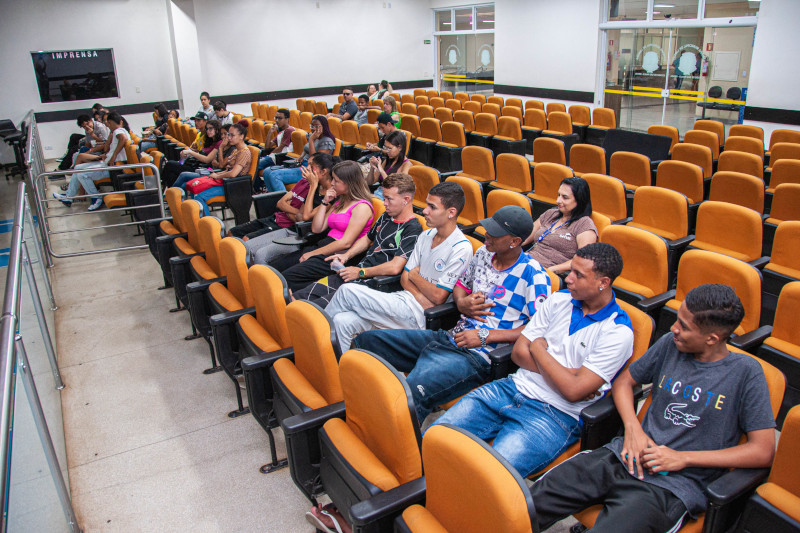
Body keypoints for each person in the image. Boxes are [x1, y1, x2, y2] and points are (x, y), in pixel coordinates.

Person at [531, 284, 776, 533]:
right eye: (677, 320)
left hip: (672, 487)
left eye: (684, 326)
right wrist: (633, 428)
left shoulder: (746, 373)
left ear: (711, 339)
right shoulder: (671, 343)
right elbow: (625, 382)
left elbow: (763, 450)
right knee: (530, 503)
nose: (673, 329)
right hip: (622, 458)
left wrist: (683, 458)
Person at [432, 243, 634, 478]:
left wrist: (537, 347)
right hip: (511, 388)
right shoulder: (559, 300)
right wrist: (568, 373)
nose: (568, 279)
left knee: (489, 476)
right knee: (436, 437)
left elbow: (572, 391)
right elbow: (518, 353)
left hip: (554, 414)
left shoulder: (618, 331)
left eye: (579, 275)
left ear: (603, 282)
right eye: (571, 271)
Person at [354, 205, 551, 423]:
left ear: (514, 241)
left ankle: (395, 446)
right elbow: (461, 285)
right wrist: (462, 302)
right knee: (365, 342)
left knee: (412, 393)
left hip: (478, 355)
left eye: (494, 233)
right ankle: (368, 410)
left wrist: (486, 336)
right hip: (448, 337)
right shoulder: (485, 254)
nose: (486, 235)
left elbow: (538, 329)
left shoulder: (534, 274)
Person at [325, 181, 473, 354]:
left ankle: (313, 337)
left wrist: (415, 277)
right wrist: (419, 290)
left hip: (420, 317)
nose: (424, 211)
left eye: (432, 207)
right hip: (404, 301)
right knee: (343, 322)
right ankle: (332, 370)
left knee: (346, 291)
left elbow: (439, 297)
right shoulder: (426, 235)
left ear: (451, 212)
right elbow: (404, 278)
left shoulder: (461, 248)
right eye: (426, 205)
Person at [293, 172, 423, 306]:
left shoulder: (413, 229)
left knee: (311, 308)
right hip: (355, 273)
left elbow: (395, 267)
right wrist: (346, 256)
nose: (384, 203)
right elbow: (367, 239)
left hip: (371, 284)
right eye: (384, 198)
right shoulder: (387, 216)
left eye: (389, 199)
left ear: (406, 199)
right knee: (296, 297)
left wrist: (361, 272)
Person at [269, 160, 374, 291]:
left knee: (285, 279)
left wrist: (312, 253)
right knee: (274, 268)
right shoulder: (341, 200)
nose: (332, 183)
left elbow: (346, 243)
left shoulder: (362, 207)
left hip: (338, 255)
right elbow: (317, 228)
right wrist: (325, 202)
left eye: (336, 180)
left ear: (348, 183)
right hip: (324, 246)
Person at [232, 153, 336, 265]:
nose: (308, 168)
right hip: (292, 228)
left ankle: (263, 281)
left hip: (304, 237)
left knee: (260, 254)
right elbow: (299, 214)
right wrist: (313, 188)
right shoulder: (314, 187)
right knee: (246, 247)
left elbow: (304, 217)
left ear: (323, 171)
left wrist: (312, 187)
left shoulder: (331, 195)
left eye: (312, 166)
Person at [53, 112, 130, 211]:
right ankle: (69, 197)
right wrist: (109, 142)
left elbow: (123, 139)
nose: (107, 125)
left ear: (119, 122)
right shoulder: (114, 132)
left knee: (82, 174)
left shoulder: (119, 130)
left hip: (113, 167)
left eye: (109, 123)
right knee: (77, 168)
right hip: (107, 162)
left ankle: (96, 198)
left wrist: (113, 155)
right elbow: (106, 148)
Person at [523, 177, 598, 273]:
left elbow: (583, 259)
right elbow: (525, 236)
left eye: (565, 197)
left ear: (580, 200)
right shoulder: (551, 214)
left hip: (546, 272)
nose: (558, 200)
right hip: (527, 262)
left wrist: (551, 270)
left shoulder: (584, 224)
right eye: (559, 195)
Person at [188, 120, 252, 216]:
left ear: (241, 136)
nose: (228, 138)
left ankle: (207, 226)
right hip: (226, 181)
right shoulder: (236, 150)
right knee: (194, 187)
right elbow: (225, 168)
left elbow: (233, 173)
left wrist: (217, 176)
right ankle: (198, 220)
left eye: (232, 135)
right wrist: (216, 174)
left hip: (233, 186)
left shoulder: (244, 152)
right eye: (228, 135)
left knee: (199, 197)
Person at [262, 115, 335, 192]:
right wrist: (301, 156)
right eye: (312, 126)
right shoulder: (313, 136)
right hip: (302, 164)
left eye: (317, 126)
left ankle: (284, 200)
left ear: (324, 127)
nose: (313, 128)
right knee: (266, 171)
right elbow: (306, 148)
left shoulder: (327, 141)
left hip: (311, 169)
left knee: (275, 175)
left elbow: (316, 159)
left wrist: (311, 140)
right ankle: (273, 198)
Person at [166, 120, 224, 189]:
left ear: (217, 130)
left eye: (210, 128)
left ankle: (170, 191)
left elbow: (207, 159)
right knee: (172, 172)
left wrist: (191, 152)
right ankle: (173, 194)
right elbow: (201, 152)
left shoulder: (219, 143)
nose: (208, 131)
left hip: (207, 169)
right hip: (197, 164)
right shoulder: (209, 140)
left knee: (172, 167)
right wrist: (189, 151)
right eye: (207, 129)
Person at [253, 108, 295, 191]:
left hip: (281, 157)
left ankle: (259, 188)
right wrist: (270, 132)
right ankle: (260, 187)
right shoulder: (281, 131)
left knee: (255, 166)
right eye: (275, 118)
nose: (277, 120)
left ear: (287, 119)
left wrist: (269, 155)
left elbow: (280, 148)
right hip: (274, 156)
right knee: (254, 164)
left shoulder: (289, 130)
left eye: (279, 118)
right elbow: (267, 146)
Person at [367, 130, 410, 199]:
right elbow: (370, 182)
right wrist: (372, 168)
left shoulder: (406, 165)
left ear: (400, 147)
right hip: (379, 193)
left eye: (389, 148)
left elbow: (397, 188)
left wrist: (381, 170)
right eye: (385, 148)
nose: (387, 151)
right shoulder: (388, 160)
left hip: (390, 199)